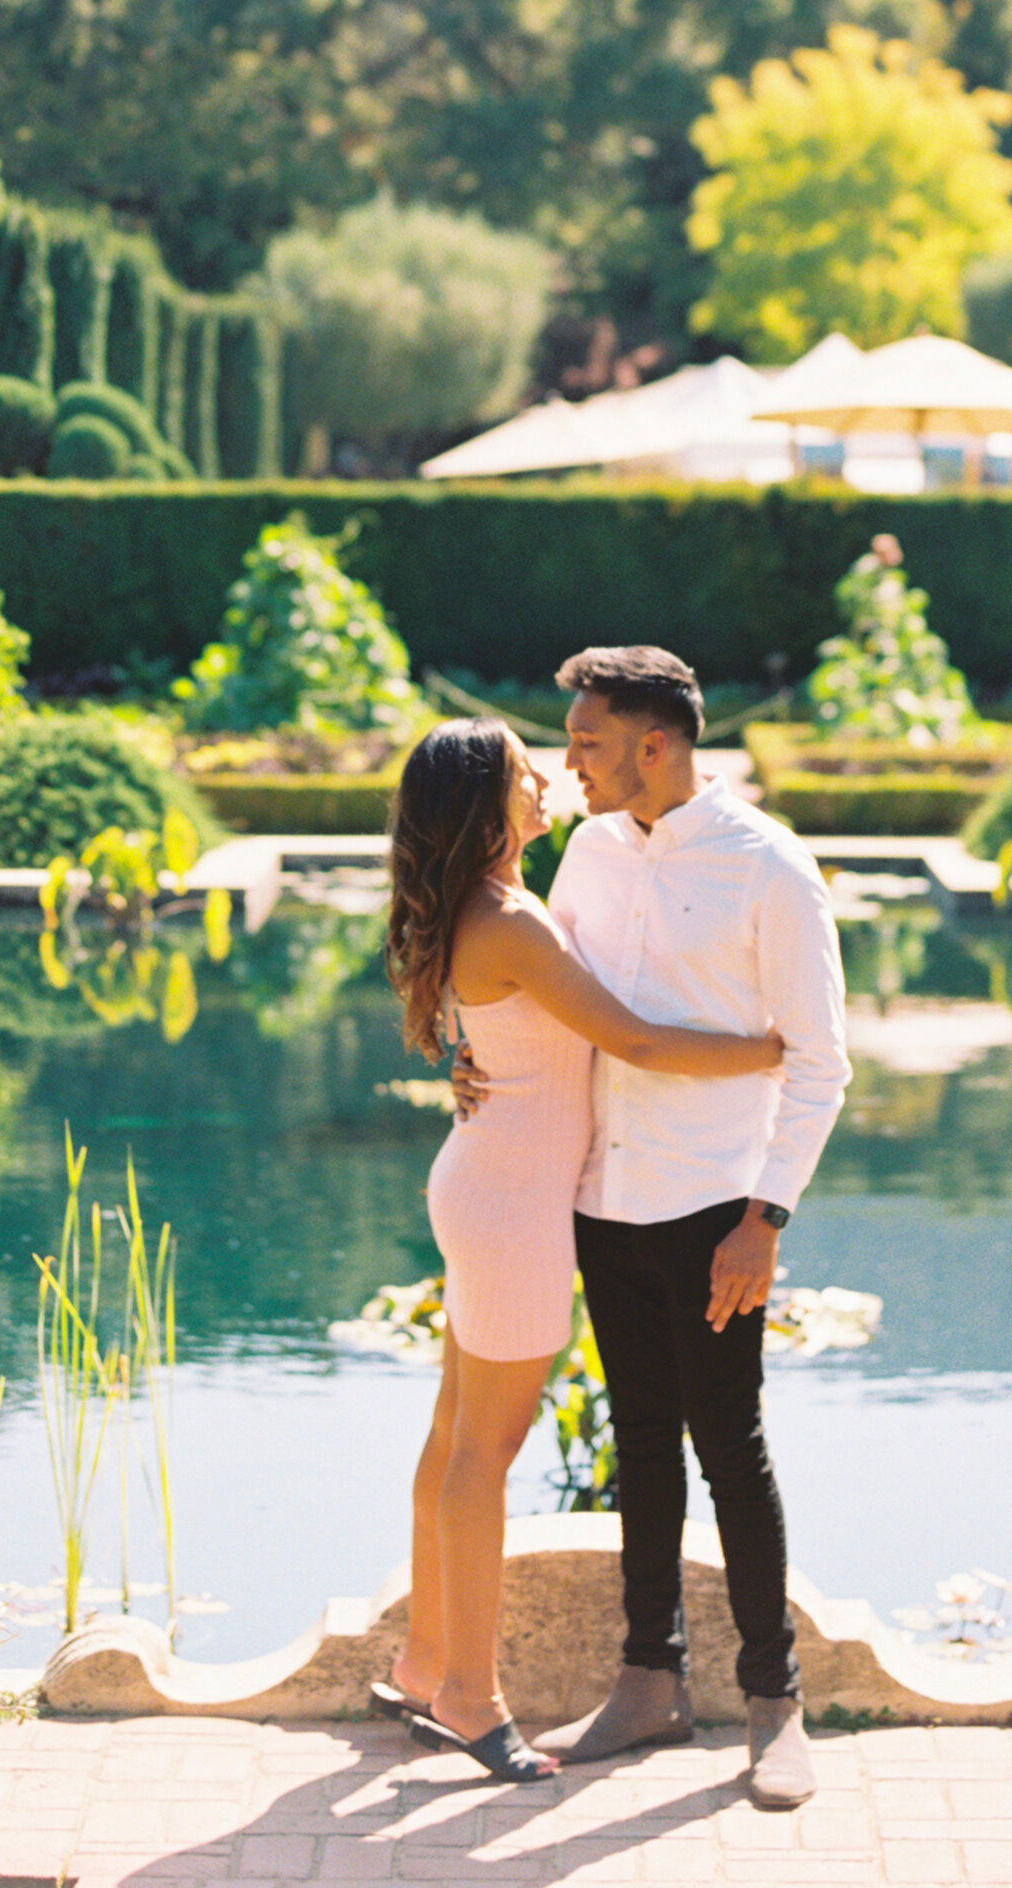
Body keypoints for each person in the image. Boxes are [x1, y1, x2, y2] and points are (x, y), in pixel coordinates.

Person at [379, 715, 787, 1787]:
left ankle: (423, 1661)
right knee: (482, 1455)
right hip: (511, 1211)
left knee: (451, 1437)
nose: (548, 777)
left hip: (482, 1183)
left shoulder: (487, 910)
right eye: (523, 770)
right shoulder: (508, 921)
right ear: (485, 806)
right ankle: (469, 1696)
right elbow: (637, 1039)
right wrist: (764, 1050)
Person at [535, 643, 849, 1812]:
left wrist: (763, 1218)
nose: (568, 761)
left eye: (586, 742)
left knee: (730, 1446)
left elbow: (819, 1064)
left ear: (653, 746)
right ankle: (648, 1682)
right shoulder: (587, 852)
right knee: (639, 1440)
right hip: (601, 1201)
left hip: (716, 1204)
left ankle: (774, 1702)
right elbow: (563, 1006)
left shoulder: (769, 867)